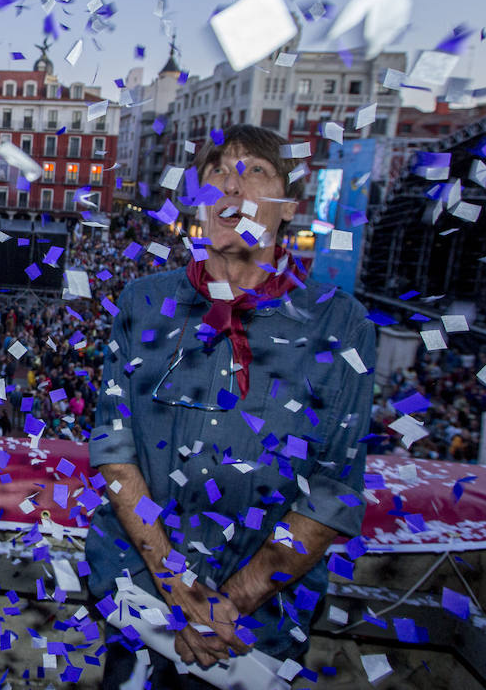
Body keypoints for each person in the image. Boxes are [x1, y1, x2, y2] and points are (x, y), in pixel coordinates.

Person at [84, 125, 376, 688]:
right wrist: (178, 590)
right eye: (217, 171)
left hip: (256, 635)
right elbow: (114, 451)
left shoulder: (342, 325)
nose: (232, 187)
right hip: (142, 605)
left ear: (289, 206)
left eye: (256, 172)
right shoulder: (144, 303)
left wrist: (228, 606)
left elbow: (333, 491)